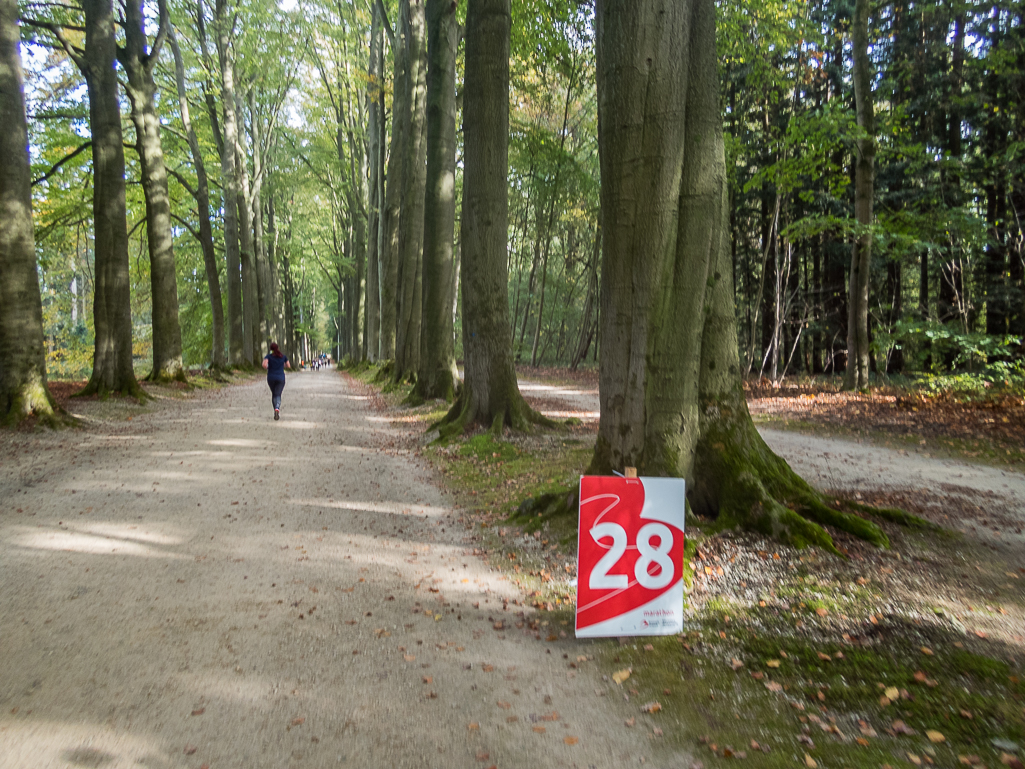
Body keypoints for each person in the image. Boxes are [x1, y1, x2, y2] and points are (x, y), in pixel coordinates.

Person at [262, 342, 291, 420]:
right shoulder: (283, 357)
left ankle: (275, 408)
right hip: (280, 377)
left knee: (274, 393)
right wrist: (282, 365)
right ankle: (277, 408)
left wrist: (269, 367)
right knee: (278, 394)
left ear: (270, 349)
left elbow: (264, 365)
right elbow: (288, 365)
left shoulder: (268, 356)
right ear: (278, 348)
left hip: (271, 377)